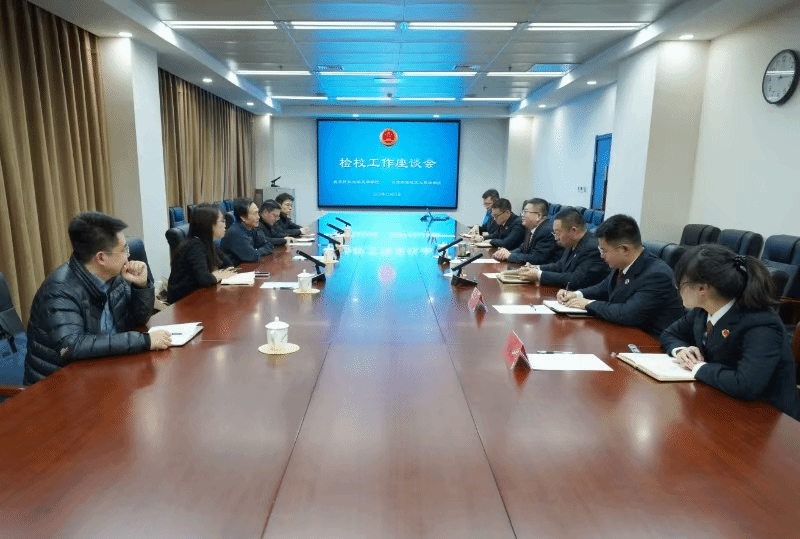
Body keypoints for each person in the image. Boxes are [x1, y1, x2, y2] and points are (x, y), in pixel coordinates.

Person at [24, 212, 170, 384]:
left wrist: (141, 286)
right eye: (124, 250)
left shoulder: (115, 277)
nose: (128, 256)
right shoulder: (59, 289)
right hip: (58, 386)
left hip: (103, 371)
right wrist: (143, 341)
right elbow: (70, 347)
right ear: (101, 258)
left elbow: (139, 319)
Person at [660, 244, 799, 419]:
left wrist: (698, 367)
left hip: (767, 418)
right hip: (721, 400)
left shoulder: (761, 323)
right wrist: (682, 351)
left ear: (703, 289)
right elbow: (670, 334)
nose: (678, 289)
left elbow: (746, 384)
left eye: (680, 284)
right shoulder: (703, 310)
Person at [556, 214, 685, 337]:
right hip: (625, 332)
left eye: (604, 251)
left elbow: (627, 313)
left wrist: (587, 303)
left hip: (651, 342)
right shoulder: (623, 263)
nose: (601, 256)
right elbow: (603, 287)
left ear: (624, 249)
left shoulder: (657, 275)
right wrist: (577, 294)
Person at [504, 207, 607, 289]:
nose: (556, 238)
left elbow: (576, 280)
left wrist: (539, 275)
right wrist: (536, 268)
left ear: (573, 231)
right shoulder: (571, 241)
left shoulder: (592, 248)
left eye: (558, 233)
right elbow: (560, 265)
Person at [167, 204, 238, 303]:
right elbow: (205, 279)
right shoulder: (194, 246)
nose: (225, 225)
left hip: (199, 295)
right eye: (222, 221)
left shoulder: (208, 242)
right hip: (183, 302)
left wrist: (215, 275)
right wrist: (218, 276)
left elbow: (229, 264)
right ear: (209, 224)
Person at [493, 198, 562, 265]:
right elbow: (523, 248)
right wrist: (506, 253)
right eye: (522, 212)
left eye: (525, 212)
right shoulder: (531, 228)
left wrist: (509, 256)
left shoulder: (546, 231)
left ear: (538, 216)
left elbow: (536, 258)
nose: (522, 215)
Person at [220, 197, 273, 266]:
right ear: (243, 217)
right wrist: (256, 251)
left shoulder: (252, 228)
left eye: (258, 212)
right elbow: (253, 256)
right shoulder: (235, 233)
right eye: (254, 214)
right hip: (233, 270)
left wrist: (257, 251)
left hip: (246, 266)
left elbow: (268, 244)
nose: (258, 217)